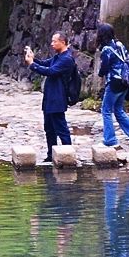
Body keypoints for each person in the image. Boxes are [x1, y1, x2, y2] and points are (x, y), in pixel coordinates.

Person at [25, 32, 80, 163]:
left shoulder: (67, 59)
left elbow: (50, 71)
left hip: (58, 99)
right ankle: (51, 154)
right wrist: (33, 59)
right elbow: (45, 63)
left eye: (54, 41)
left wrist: (32, 65)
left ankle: (67, 153)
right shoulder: (58, 57)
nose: (52, 43)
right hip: (50, 99)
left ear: (63, 42)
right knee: (49, 128)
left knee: (61, 128)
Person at [95, 23, 129, 150]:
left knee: (106, 110)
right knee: (118, 110)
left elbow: (104, 68)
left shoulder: (106, 50)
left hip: (114, 82)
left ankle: (110, 140)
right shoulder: (119, 44)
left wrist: (100, 74)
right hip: (125, 81)